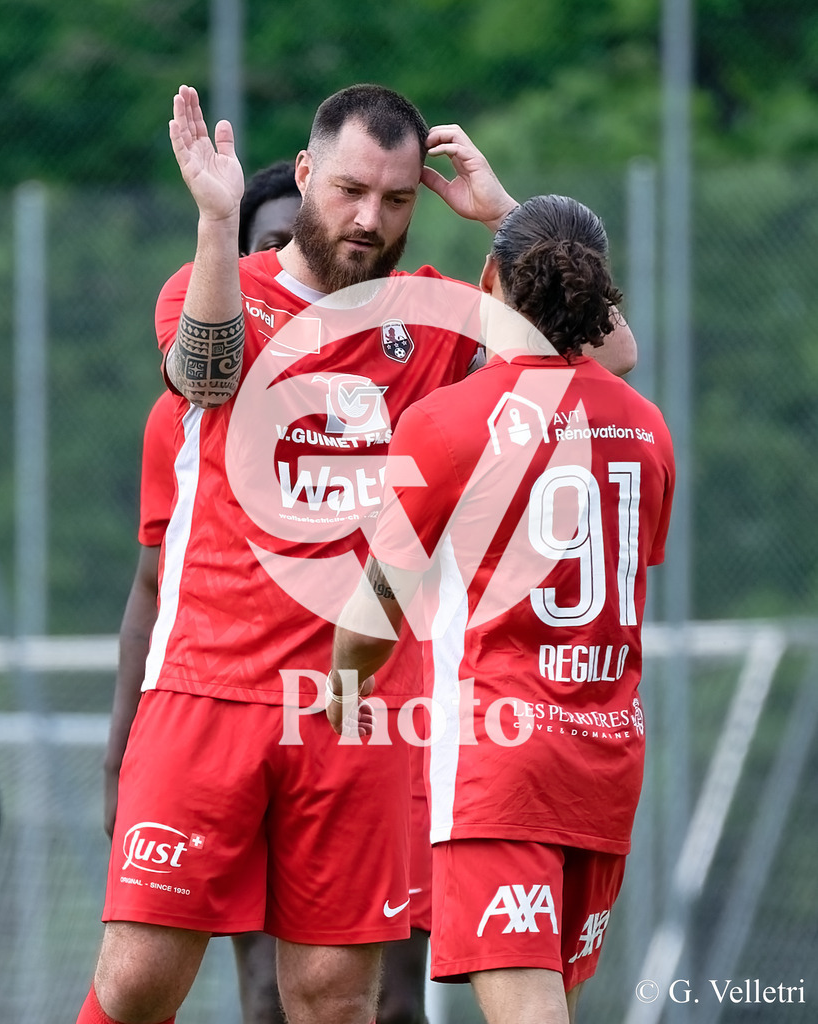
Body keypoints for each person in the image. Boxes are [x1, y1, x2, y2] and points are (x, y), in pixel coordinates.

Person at [77, 82, 636, 1024]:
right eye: (349, 191)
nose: (370, 219)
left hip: (360, 709)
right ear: (305, 174)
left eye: (397, 198)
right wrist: (215, 220)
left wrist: (507, 220)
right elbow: (205, 379)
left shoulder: (433, 315)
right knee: (137, 980)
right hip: (208, 691)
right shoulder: (214, 285)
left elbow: (603, 359)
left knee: (334, 1000)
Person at [326, 195, 675, 1024]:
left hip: (500, 763)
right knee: (555, 1003)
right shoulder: (645, 428)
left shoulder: (446, 421)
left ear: (489, 280)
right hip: (605, 760)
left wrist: (342, 685)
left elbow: (377, 609)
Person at [102, 158, 302, 1024]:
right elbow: (152, 585)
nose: (291, 266)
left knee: (372, 996)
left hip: (351, 727)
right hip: (217, 721)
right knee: (210, 983)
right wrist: (119, 754)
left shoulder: (390, 380)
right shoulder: (184, 414)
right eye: (273, 246)